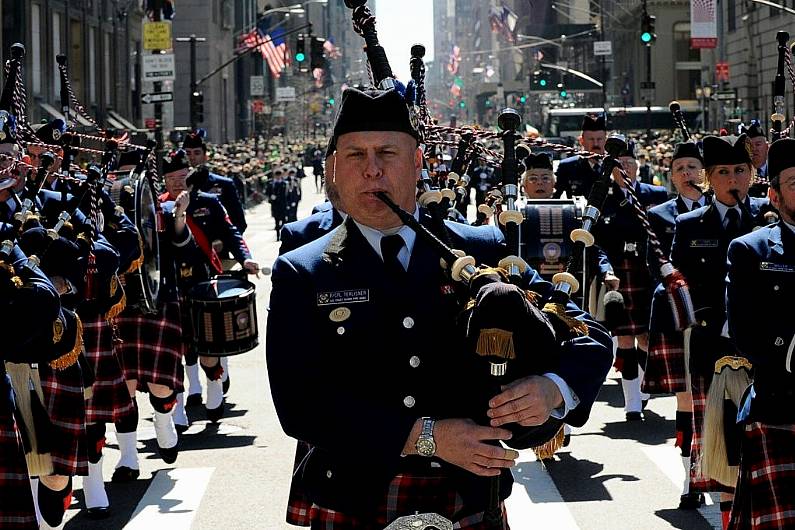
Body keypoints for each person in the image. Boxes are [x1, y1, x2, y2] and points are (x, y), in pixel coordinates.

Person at [267, 86, 613, 528]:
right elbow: (300, 405)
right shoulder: (303, 271)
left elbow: (591, 337)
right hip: (354, 497)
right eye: (355, 155)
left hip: (469, 497)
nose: (371, 170)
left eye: (387, 153)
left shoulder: (481, 249)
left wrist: (553, 388)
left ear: (417, 162)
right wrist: (425, 438)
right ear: (333, 169)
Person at [670, 134, 771, 529]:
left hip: (766, 351)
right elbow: (678, 283)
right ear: (709, 178)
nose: (734, 179)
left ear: (752, 174)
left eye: (741, 171)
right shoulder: (690, 223)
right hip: (714, 349)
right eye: (724, 172)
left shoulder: (767, 218)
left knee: (763, 449)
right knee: (725, 452)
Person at [726, 137, 795, 530]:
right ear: (773, 194)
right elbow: (745, 334)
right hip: (779, 406)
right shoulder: (751, 250)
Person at [160, 149, 258, 421]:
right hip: (172, 282)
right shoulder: (157, 207)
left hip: (203, 278)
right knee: (176, 346)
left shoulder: (209, 202)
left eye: (181, 176)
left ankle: (214, 387)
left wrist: (245, 258)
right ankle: (180, 405)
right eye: (171, 178)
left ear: (189, 176)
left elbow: (231, 232)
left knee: (207, 341)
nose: (177, 183)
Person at [642, 141, 710, 509]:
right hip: (676, 316)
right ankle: (690, 479)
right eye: (680, 168)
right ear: (670, 175)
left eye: (693, 167)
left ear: (704, 173)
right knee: (687, 401)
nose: (687, 174)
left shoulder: (723, 211)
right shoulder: (659, 215)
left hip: (717, 316)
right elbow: (654, 265)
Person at [591, 136, 667, 421]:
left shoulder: (655, 195)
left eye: (629, 163)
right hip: (619, 275)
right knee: (624, 339)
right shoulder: (604, 200)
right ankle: (632, 403)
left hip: (649, 275)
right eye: (618, 164)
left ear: (637, 166)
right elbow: (596, 242)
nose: (624, 168)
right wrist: (606, 270)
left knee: (647, 339)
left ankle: (645, 388)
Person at [183, 130, 248, 234]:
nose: (192, 157)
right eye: (188, 153)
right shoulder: (177, 184)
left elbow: (239, 221)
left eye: (197, 153)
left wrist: (225, 242)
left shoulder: (224, 184)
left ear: (205, 156)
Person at [554, 114, 607, 198]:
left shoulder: (612, 166)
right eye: (591, 139)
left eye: (599, 139)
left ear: (605, 140)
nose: (596, 144)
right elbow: (557, 199)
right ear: (581, 141)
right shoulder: (567, 167)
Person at [265, 167, 289, 240]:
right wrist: (270, 197)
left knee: (284, 221)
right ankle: (278, 235)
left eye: (279, 175)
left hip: (283, 204)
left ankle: (283, 235)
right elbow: (267, 192)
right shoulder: (271, 183)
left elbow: (287, 194)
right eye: (277, 175)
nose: (278, 176)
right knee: (277, 221)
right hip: (275, 205)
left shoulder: (285, 183)